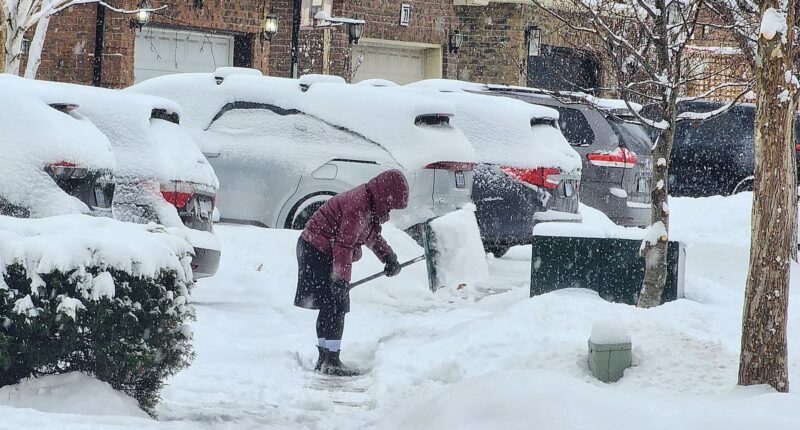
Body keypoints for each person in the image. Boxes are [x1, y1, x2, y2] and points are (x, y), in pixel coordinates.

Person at [294, 169, 408, 376]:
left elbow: (371, 236)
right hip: (316, 250)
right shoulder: (359, 206)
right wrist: (340, 280)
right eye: (391, 205)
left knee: (332, 306)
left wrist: (389, 257)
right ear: (384, 195)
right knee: (336, 306)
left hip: (316, 248)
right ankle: (331, 360)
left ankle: (327, 359)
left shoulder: (369, 203)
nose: (390, 211)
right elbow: (344, 246)